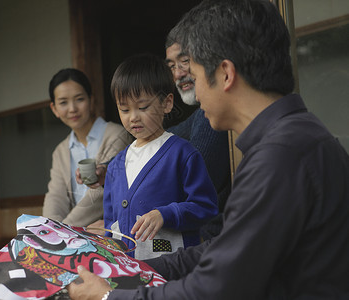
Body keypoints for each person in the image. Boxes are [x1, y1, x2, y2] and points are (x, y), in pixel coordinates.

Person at [67, 0, 349, 299]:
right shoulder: (293, 139)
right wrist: (134, 268)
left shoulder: (279, 157)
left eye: (196, 77)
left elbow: (214, 288)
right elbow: (222, 250)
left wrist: (109, 296)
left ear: (225, 74)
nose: (195, 92)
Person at [102, 53, 218, 261]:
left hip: (172, 269)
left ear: (167, 103)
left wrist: (166, 214)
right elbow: (111, 224)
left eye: (143, 107)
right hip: (128, 271)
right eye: (124, 109)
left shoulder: (182, 153)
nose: (133, 117)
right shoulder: (116, 165)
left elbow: (206, 206)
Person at [42, 68, 133, 227]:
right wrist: (48, 230)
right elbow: (56, 196)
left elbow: (99, 195)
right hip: (78, 234)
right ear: (54, 109)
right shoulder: (60, 151)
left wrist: (65, 230)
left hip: (113, 229)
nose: (72, 109)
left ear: (91, 100)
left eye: (79, 99)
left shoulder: (117, 135)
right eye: (63, 102)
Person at [165, 29, 231, 214]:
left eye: (185, 61)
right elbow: (166, 138)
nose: (178, 74)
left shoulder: (213, 112)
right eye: (171, 66)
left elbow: (190, 186)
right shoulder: (202, 113)